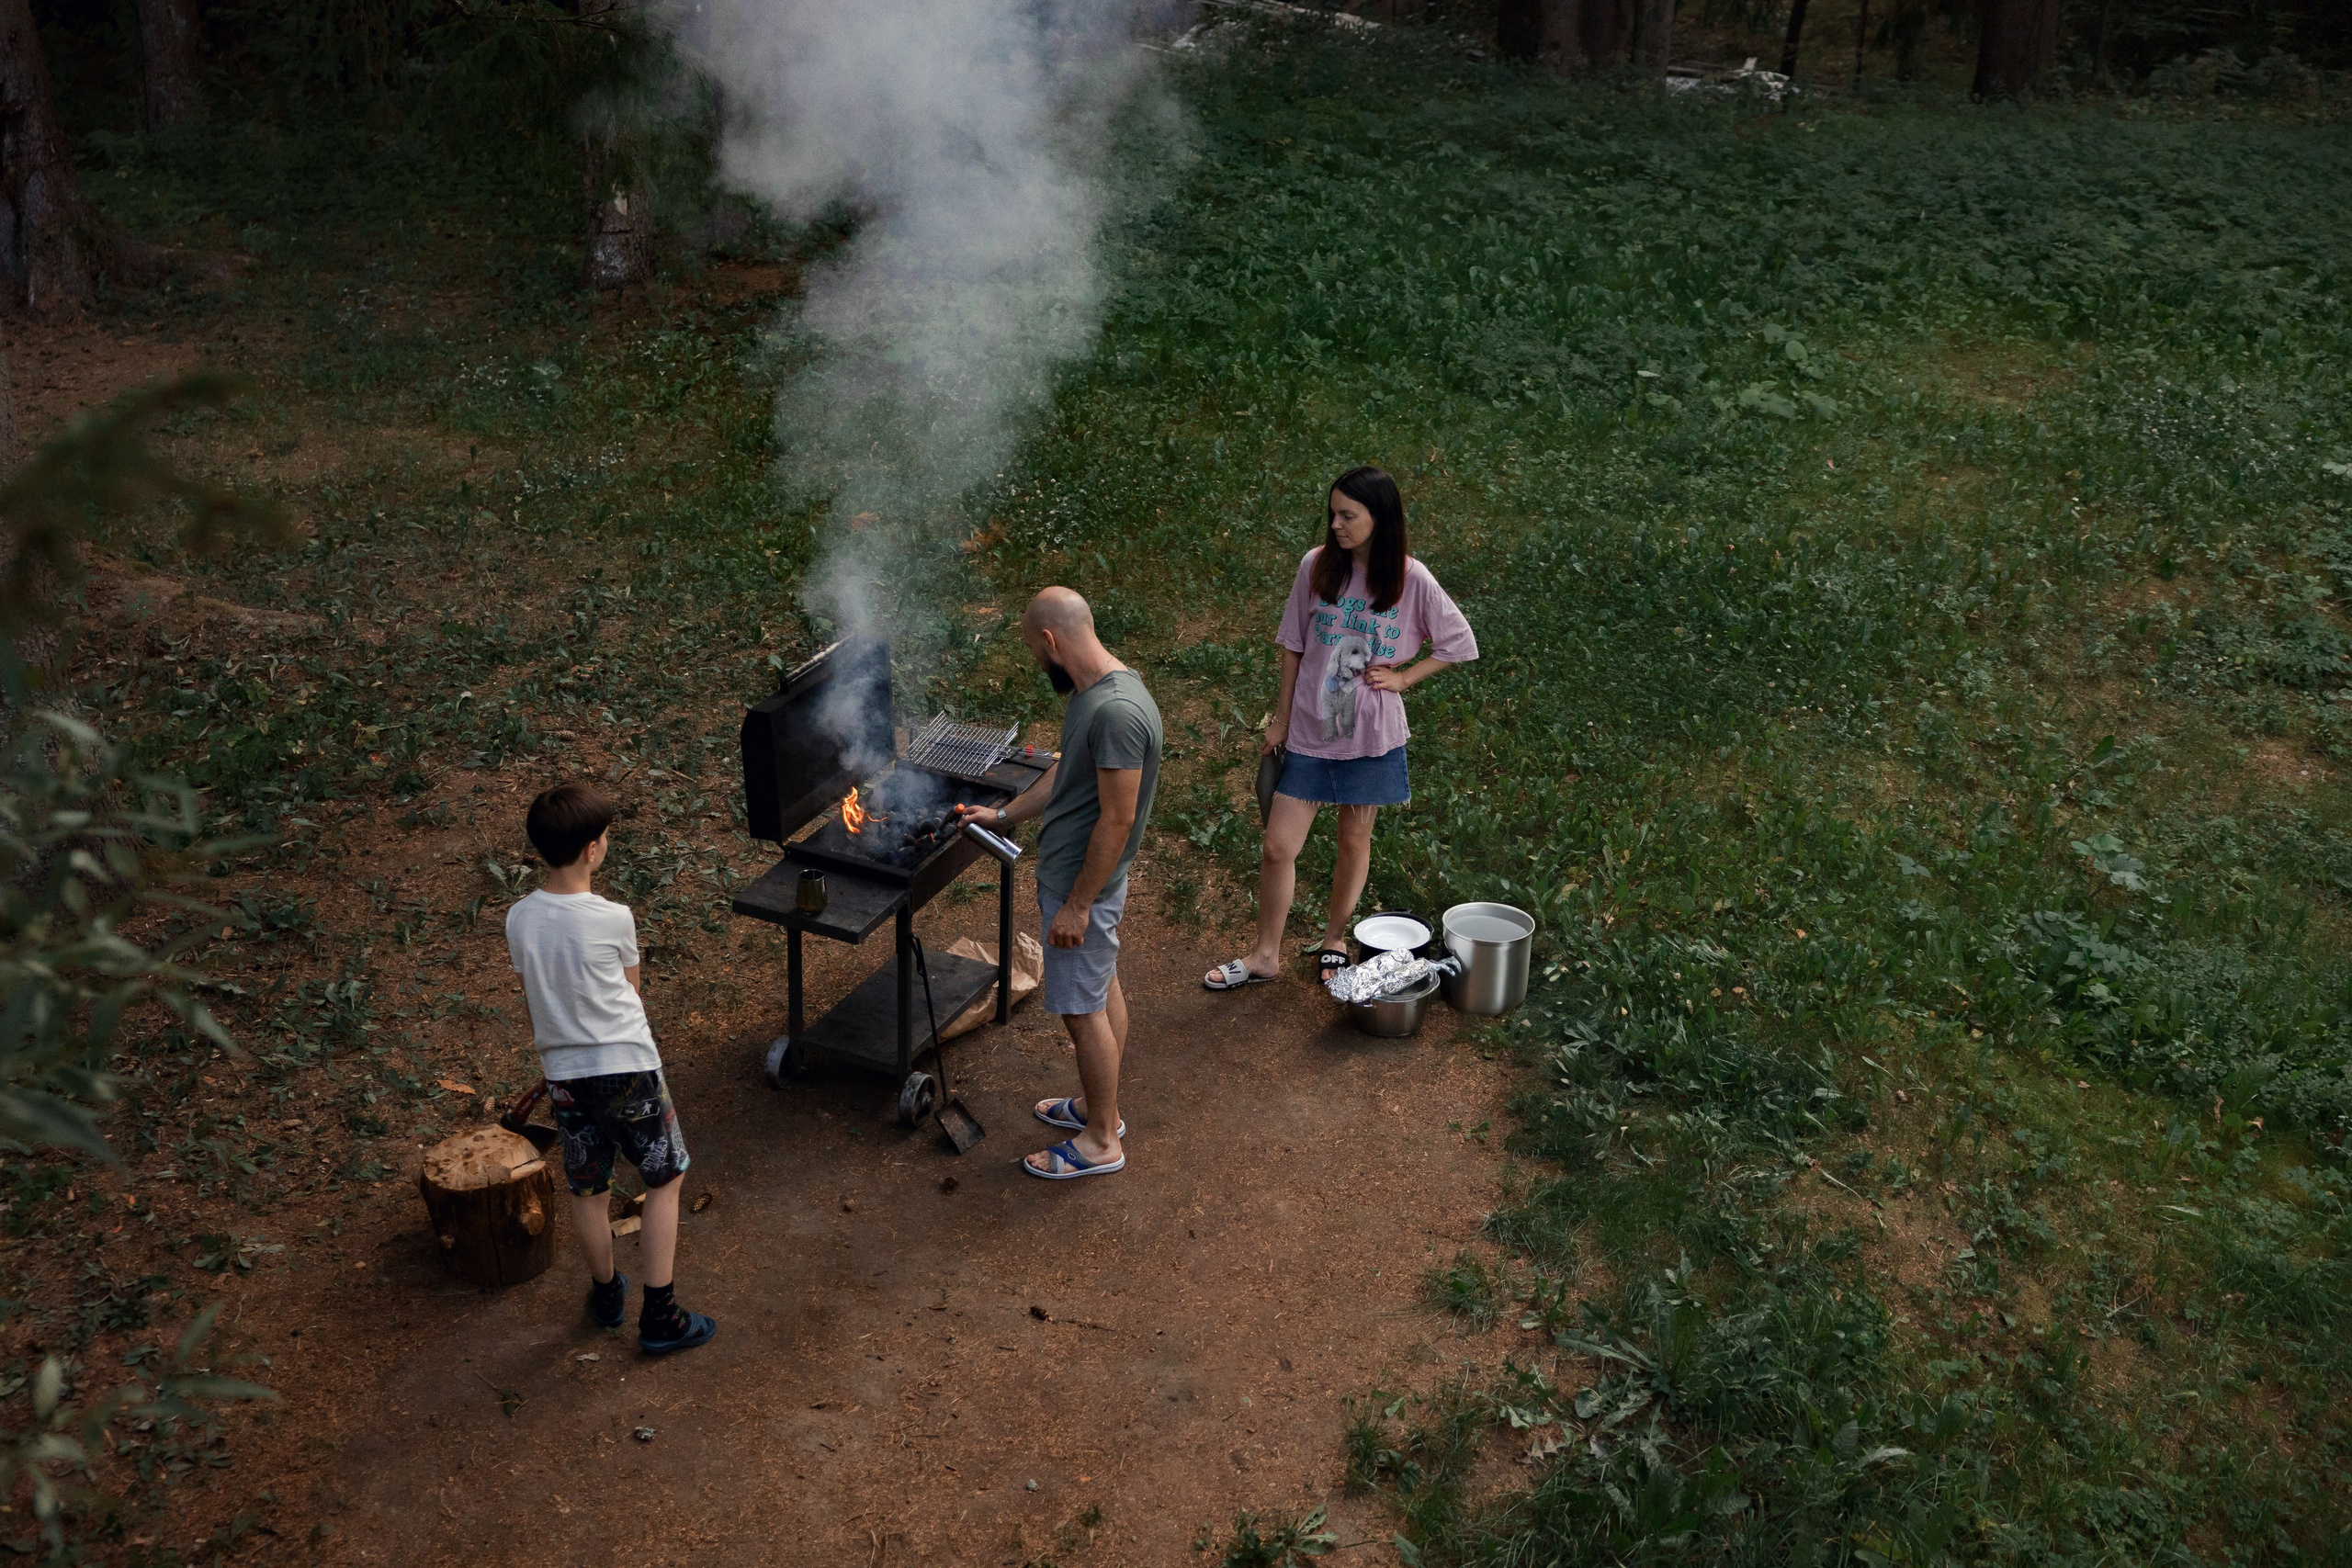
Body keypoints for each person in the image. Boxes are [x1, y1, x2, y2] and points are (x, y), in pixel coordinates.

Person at [1204, 466, 1477, 993]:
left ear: (1382, 519)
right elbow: (1293, 647)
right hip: (1309, 729)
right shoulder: (1315, 568)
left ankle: (1334, 939)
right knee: (1278, 847)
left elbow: (1458, 643)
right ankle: (1265, 954)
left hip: (1370, 736)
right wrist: (1281, 718)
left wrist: (1403, 677)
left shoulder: (1410, 578)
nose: (1336, 524)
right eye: (1332, 514)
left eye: (1349, 515)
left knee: (1354, 841)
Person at [957, 587, 1161, 1180]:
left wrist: (1076, 905)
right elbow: (1065, 777)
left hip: (1083, 886)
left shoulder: (1117, 712)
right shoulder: (1096, 693)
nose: (1035, 662)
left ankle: (1101, 1141)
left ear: (1051, 640)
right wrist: (1002, 815)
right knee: (1100, 993)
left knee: (1081, 1012)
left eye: (1033, 650)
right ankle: (1104, 1110)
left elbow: (1118, 817)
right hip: (1079, 882)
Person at [505, 782, 715, 1353]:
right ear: (593, 849)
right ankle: (662, 1317)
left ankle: (605, 1294)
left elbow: (537, 992)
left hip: (566, 1077)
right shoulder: (613, 918)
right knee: (664, 1179)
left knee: (588, 1187)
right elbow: (632, 994)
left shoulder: (518, 919)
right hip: (628, 1070)